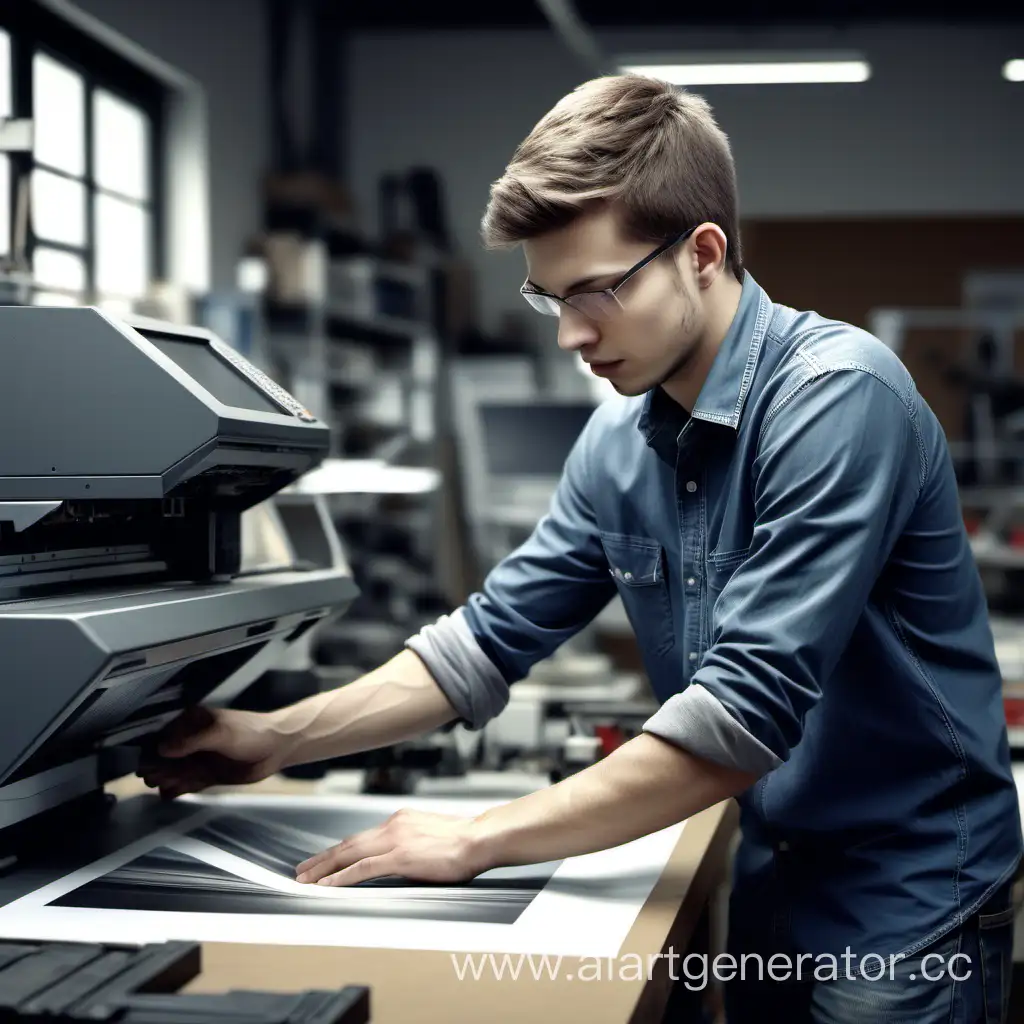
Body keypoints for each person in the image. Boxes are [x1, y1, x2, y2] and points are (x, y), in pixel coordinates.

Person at [140, 74, 1023, 1022]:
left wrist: (476, 839)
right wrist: (276, 739)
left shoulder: (840, 400)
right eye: (547, 296)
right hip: (779, 868)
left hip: (912, 891)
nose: (569, 333)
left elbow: (741, 718)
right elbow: (486, 639)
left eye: (596, 291)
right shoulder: (618, 440)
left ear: (702, 254)